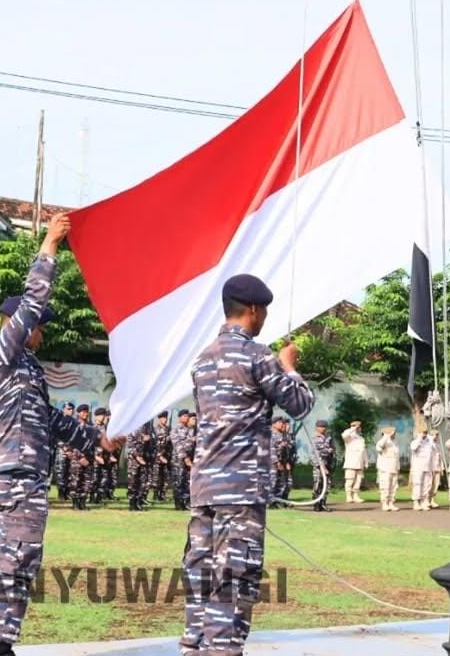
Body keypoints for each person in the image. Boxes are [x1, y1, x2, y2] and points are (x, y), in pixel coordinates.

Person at [0, 213, 121, 656]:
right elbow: (33, 301)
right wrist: (50, 246)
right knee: (16, 560)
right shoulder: (1, 353)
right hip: (15, 476)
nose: (42, 329)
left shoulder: (26, 369)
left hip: (11, 476)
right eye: (38, 324)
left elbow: (50, 420)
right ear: (17, 324)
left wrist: (99, 440)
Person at [181, 273, 314, 655]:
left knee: (201, 577)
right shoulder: (258, 357)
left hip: (204, 488)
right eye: (264, 311)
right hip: (239, 490)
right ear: (253, 310)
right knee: (234, 581)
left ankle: (194, 648)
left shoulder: (203, 359)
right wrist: (289, 366)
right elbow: (300, 404)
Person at [68, 405, 94, 510]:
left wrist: (90, 456)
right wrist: (80, 457)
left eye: (86, 412)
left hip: (89, 458)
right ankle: (75, 503)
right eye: (82, 412)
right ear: (78, 413)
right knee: (76, 480)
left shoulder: (91, 426)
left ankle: (83, 502)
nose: (85, 414)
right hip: (77, 457)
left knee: (86, 481)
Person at [126, 423, 151, 511]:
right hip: (134, 460)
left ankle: (138, 503)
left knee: (142, 482)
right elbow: (129, 446)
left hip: (144, 458)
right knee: (133, 481)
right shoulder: (131, 428)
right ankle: (132, 504)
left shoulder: (146, 428)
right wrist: (137, 456)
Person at [375, 426, 401, 512]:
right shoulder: (383, 442)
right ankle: (385, 503)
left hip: (394, 467)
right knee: (385, 486)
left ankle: (391, 503)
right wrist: (386, 436)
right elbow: (379, 447)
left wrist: (398, 467)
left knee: (393, 487)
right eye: (393, 433)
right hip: (385, 468)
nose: (395, 434)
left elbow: (396, 457)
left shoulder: (395, 443)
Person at [310, 420, 334, 512]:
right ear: (317, 427)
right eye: (321, 426)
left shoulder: (328, 437)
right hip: (318, 463)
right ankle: (316, 504)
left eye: (324, 427)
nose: (323, 428)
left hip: (328, 462)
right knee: (318, 483)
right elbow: (316, 452)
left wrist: (330, 451)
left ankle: (323, 503)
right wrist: (322, 466)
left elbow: (331, 449)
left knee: (327, 484)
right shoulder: (314, 437)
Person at [341, 420, 367, 504]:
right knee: (350, 480)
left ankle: (355, 495)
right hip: (351, 462)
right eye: (358, 427)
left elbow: (364, 451)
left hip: (359, 462)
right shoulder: (349, 437)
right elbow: (344, 435)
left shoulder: (361, 439)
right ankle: (348, 496)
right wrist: (353, 428)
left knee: (358, 480)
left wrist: (366, 462)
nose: (360, 429)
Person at [409, 428, 434, 511]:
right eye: (423, 432)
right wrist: (419, 438)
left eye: (426, 432)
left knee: (427, 484)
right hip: (418, 467)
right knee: (417, 484)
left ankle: (424, 501)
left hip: (427, 467)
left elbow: (433, 451)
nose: (424, 434)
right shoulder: (415, 442)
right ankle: (416, 502)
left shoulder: (429, 442)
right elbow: (413, 447)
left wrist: (430, 439)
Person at [152, 411, 173, 501]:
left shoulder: (168, 429)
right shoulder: (155, 429)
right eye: (163, 418)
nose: (165, 420)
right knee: (156, 477)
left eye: (166, 418)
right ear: (159, 419)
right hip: (157, 456)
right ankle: (156, 494)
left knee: (165, 477)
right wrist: (159, 456)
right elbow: (154, 445)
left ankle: (162, 494)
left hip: (166, 456)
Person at [426, 429, 443, 508]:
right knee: (429, 485)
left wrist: (441, 468)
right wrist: (430, 438)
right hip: (430, 468)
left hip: (437, 468)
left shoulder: (438, 445)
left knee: (435, 485)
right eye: (435, 435)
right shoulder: (428, 443)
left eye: (437, 435)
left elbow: (440, 458)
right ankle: (426, 500)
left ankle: (432, 500)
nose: (437, 437)